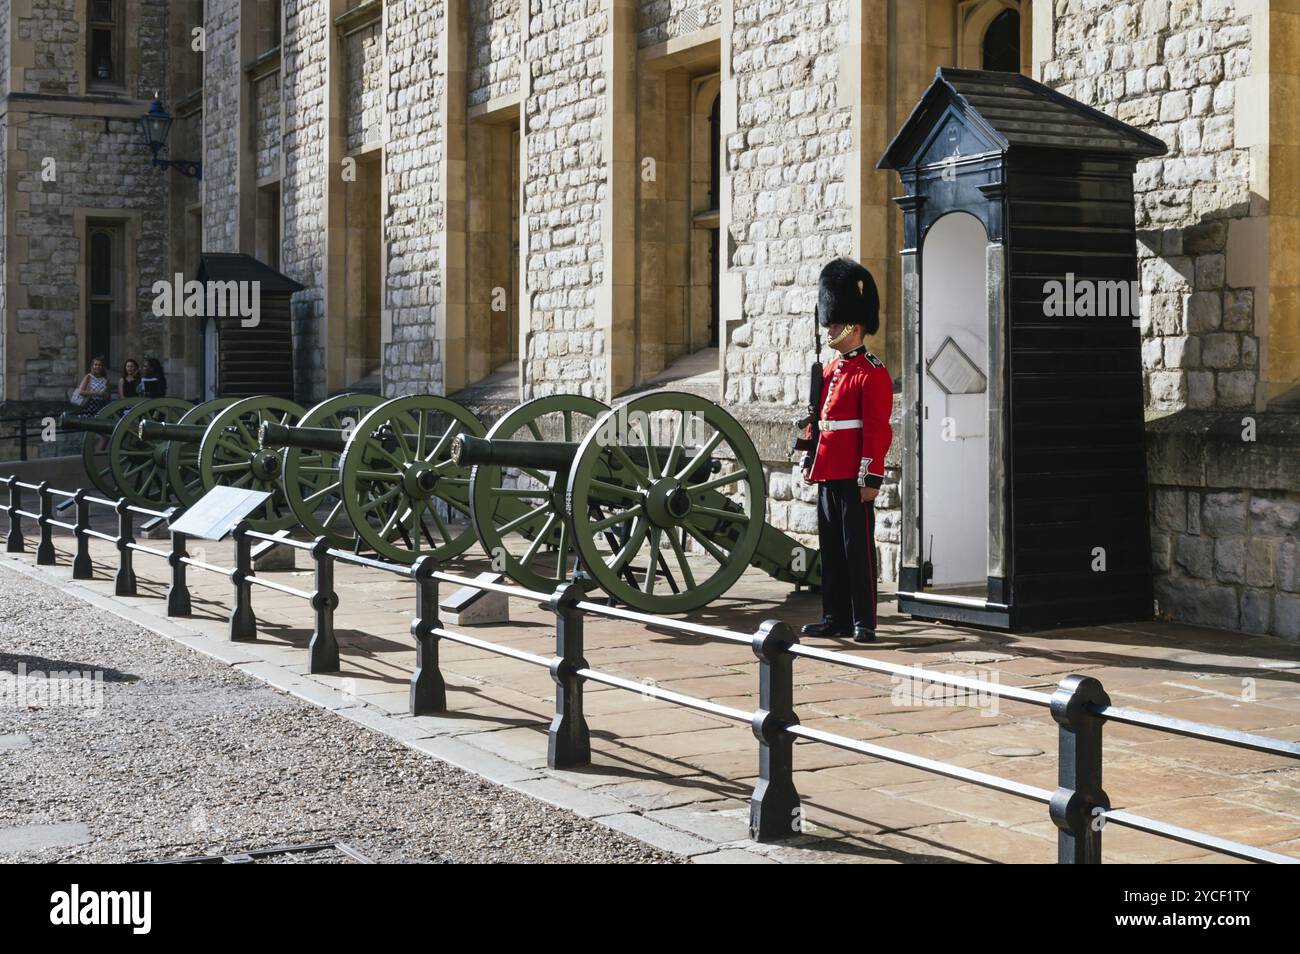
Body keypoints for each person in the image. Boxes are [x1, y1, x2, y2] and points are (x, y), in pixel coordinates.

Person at [800, 258, 893, 644]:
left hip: (853, 472)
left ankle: (863, 621)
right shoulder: (829, 371)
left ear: (853, 326)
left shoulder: (872, 372)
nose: (829, 330)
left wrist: (870, 476)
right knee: (832, 549)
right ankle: (834, 617)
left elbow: (876, 429)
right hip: (827, 468)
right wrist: (808, 453)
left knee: (858, 550)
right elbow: (818, 420)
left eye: (834, 325)